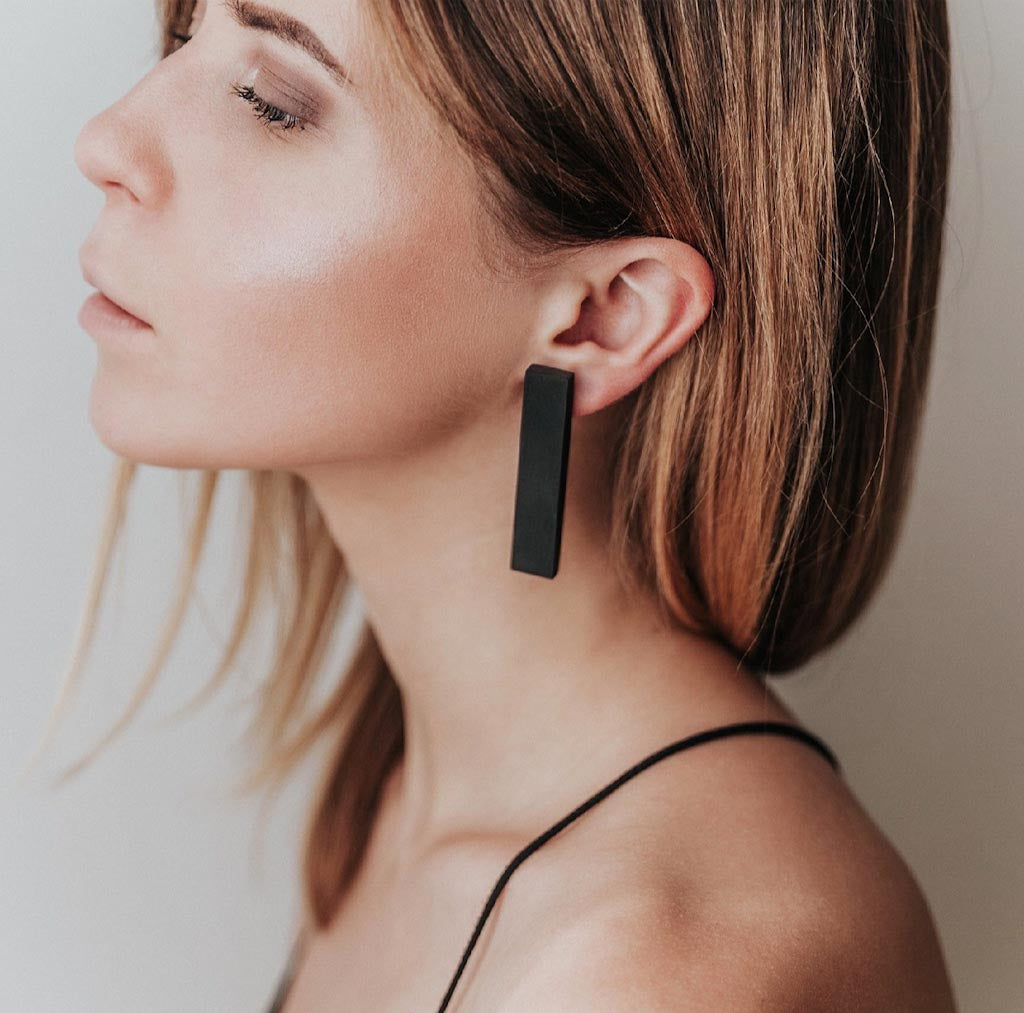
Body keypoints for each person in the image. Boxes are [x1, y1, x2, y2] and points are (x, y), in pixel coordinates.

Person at [57, 0, 957, 1008]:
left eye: (270, 102)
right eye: (187, 32)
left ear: (604, 317)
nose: (106, 139)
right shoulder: (400, 792)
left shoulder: (659, 967)